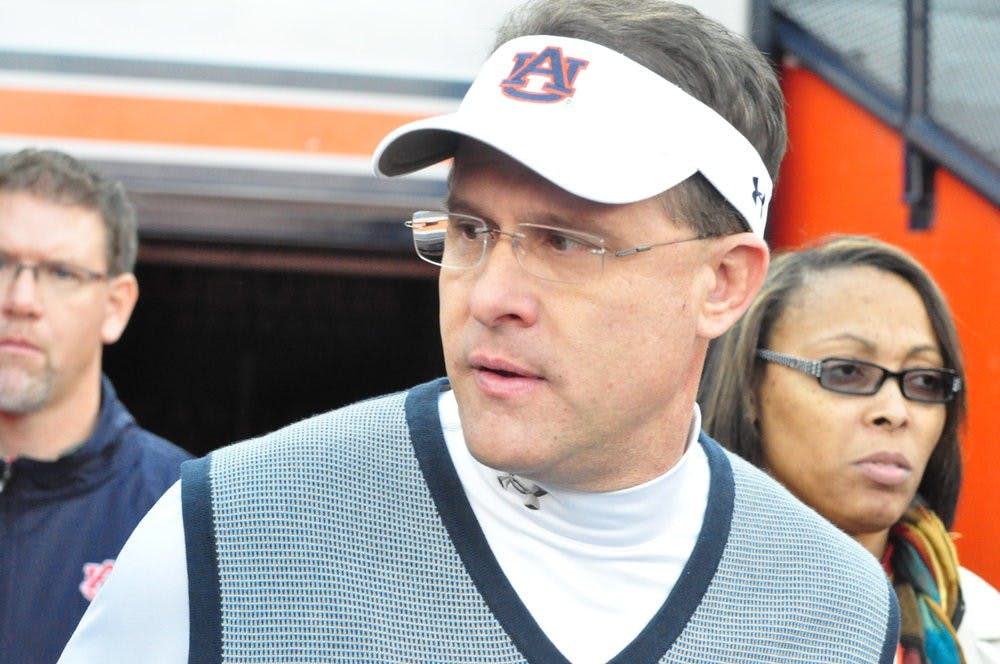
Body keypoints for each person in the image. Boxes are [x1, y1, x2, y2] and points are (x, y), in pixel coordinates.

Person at [59, 1, 899, 662]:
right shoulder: (228, 532)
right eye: (468, 230)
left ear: (722, 283)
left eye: (566, 242)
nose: (491, 294)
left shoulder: (835, 608)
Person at [700, 234, 1000, 663]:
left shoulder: (983, 623)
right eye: (845, 371)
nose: (896, 411)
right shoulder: (663, 602)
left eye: (925, 381)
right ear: (750, 386)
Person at [0, 148, 192, 664]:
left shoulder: (183, 510)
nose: (20, 298)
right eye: (1, 262)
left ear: (116, 307)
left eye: (60, 273)